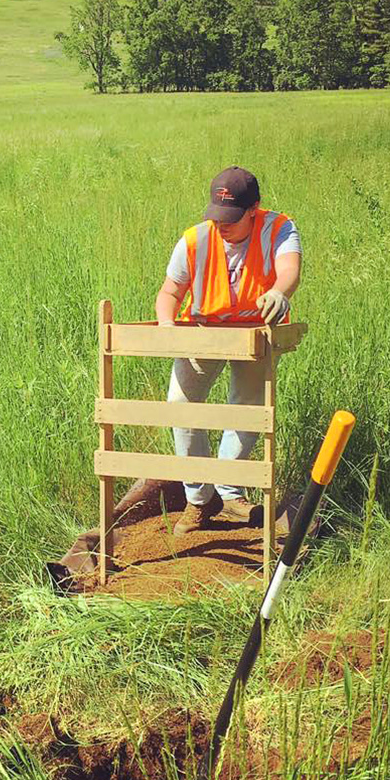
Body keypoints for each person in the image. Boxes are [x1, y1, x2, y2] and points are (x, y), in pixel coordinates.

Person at [155, 166, 302, 535]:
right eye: (217, 218)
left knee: (248, 409)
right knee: (180, 404)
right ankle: (199, 500)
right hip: (204, 330)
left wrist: (278, 293)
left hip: (256, 332)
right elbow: (169, 293)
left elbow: (290, 271)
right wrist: (168, 327)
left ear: (255, 209)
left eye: (232, 219)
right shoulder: (194, 240)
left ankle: (229, 489)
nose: (223, 226)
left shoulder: (279, 228)